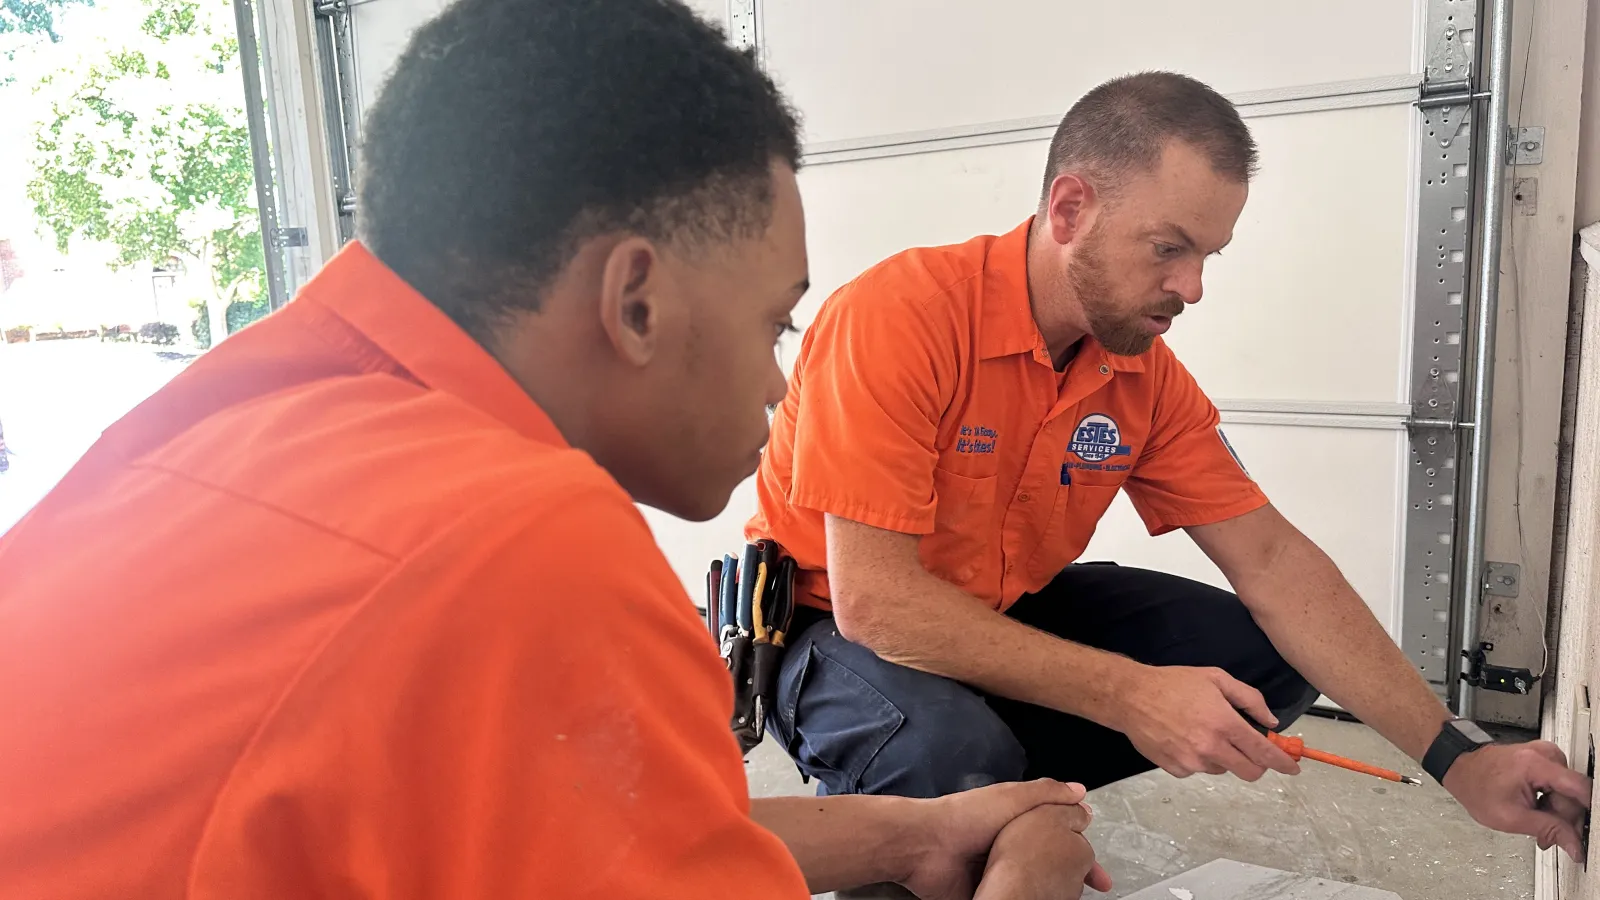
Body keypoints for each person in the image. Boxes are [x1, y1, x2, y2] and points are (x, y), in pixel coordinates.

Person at [0, 1, 1112, 897]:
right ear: (635, 302)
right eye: (774, 325)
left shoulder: (219, 413)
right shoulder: (518, 539)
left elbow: (600, 832)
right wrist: (1032, 872)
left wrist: (915, 837)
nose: (779, 383)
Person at [748, 71, 1593, 859]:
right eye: (1168, 249)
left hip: (996, 608)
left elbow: (1274, 561)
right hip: (830, 636)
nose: (1191, 289)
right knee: (948, 754)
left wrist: (1458, 757)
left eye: (1207, 258)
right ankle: (922, 806)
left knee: (1259, 658)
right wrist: (1126, 694)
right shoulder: (902, 321)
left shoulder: (1138, 375)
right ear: (1071, 208)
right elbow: (877, 604)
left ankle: (1000, 790)